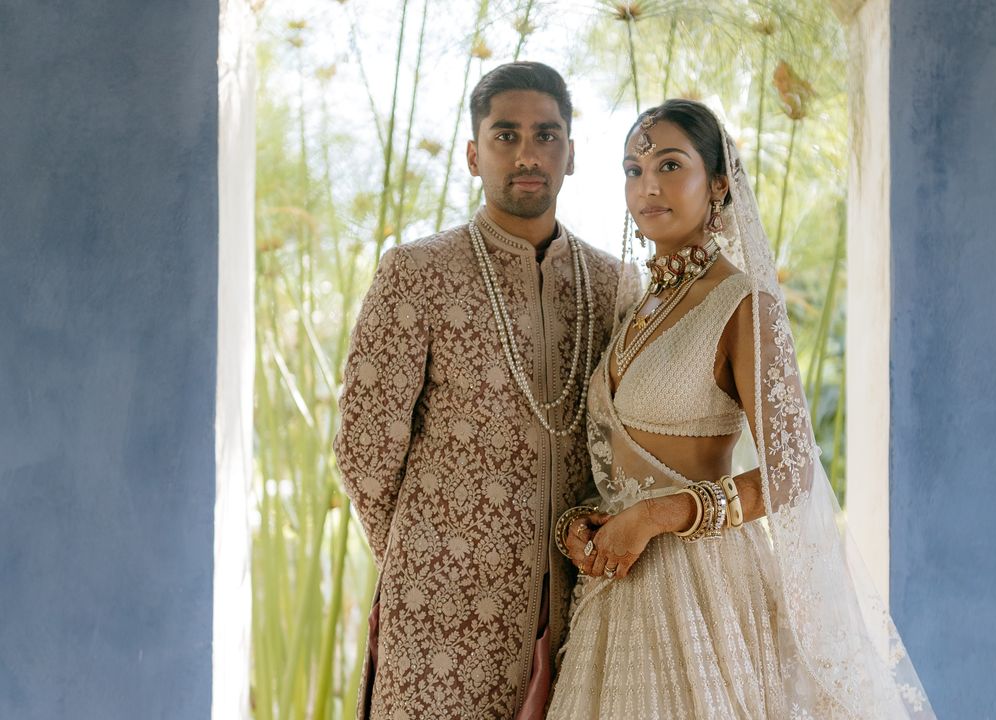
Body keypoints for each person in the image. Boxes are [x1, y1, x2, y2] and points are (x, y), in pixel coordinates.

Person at [545, 100, 935, 718]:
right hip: (616, 591)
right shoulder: (638, 306)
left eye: (670, 165)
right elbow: (624, 457)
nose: (647, 186)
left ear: (719, 184)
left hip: (700, 593)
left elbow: (792, 470)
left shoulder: (743, 304)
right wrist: (584, 521)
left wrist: (658, 514)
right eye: (633, 170)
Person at [334, 61, 621, 720]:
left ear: (571, 153)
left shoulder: (610, 285)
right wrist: (430, 553)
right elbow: (365, 451)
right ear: (473, 154)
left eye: (546, 135)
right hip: (437, 612)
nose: (527, 154)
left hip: (574, 609)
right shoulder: (417, 273)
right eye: (505, 135)